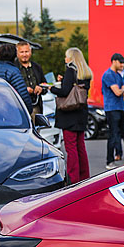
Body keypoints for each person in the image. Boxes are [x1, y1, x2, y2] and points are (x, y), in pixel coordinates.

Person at [49, 47, 92, 183]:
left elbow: (65, 91)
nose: (65, 59)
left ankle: (73, 178)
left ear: (71, 58)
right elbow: (75, 88)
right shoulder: (85, 73)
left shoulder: (70, 70)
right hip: (81, 113)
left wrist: (51, 88)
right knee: (81, 147)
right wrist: (64, 80)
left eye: (67, 56)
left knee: (71, 148)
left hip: (69, 114)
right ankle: (84, 176)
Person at [101, 53, 124, 169]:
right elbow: (117, 92)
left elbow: (122, 90)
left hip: (120, 107)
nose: (123, 65)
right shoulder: (108, 75)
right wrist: (123, 88)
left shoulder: (118, 75)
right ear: (114, 61)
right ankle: (109, 161)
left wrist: (122, 89)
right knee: (113, 134)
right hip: (112, 108)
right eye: (121, 62)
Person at [0, 44, 31, 108]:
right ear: (14, 56)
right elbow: (23, 95)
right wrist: (28, 109)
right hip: (9, 108)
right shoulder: (13, 71)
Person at [16, 41, 44, 117]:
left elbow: (45, 85)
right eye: (22, 52)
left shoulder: (37, 67)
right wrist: (24, 90)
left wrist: (41, 88)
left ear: (30, 52)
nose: (24, 54)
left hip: (35, 107)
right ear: (17, 54)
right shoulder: (13, 68)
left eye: (26, 52)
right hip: (19, 107)